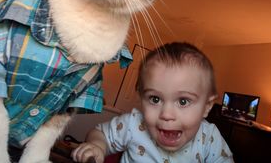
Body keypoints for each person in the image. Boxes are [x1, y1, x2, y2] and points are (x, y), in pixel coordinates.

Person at [71, 42, 234, 163]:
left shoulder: (209, 138)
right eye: (155, 99)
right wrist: (97, 146)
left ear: (206, 107)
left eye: (183, 101)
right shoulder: (133, 124)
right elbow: (100, 133)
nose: (167, 114)